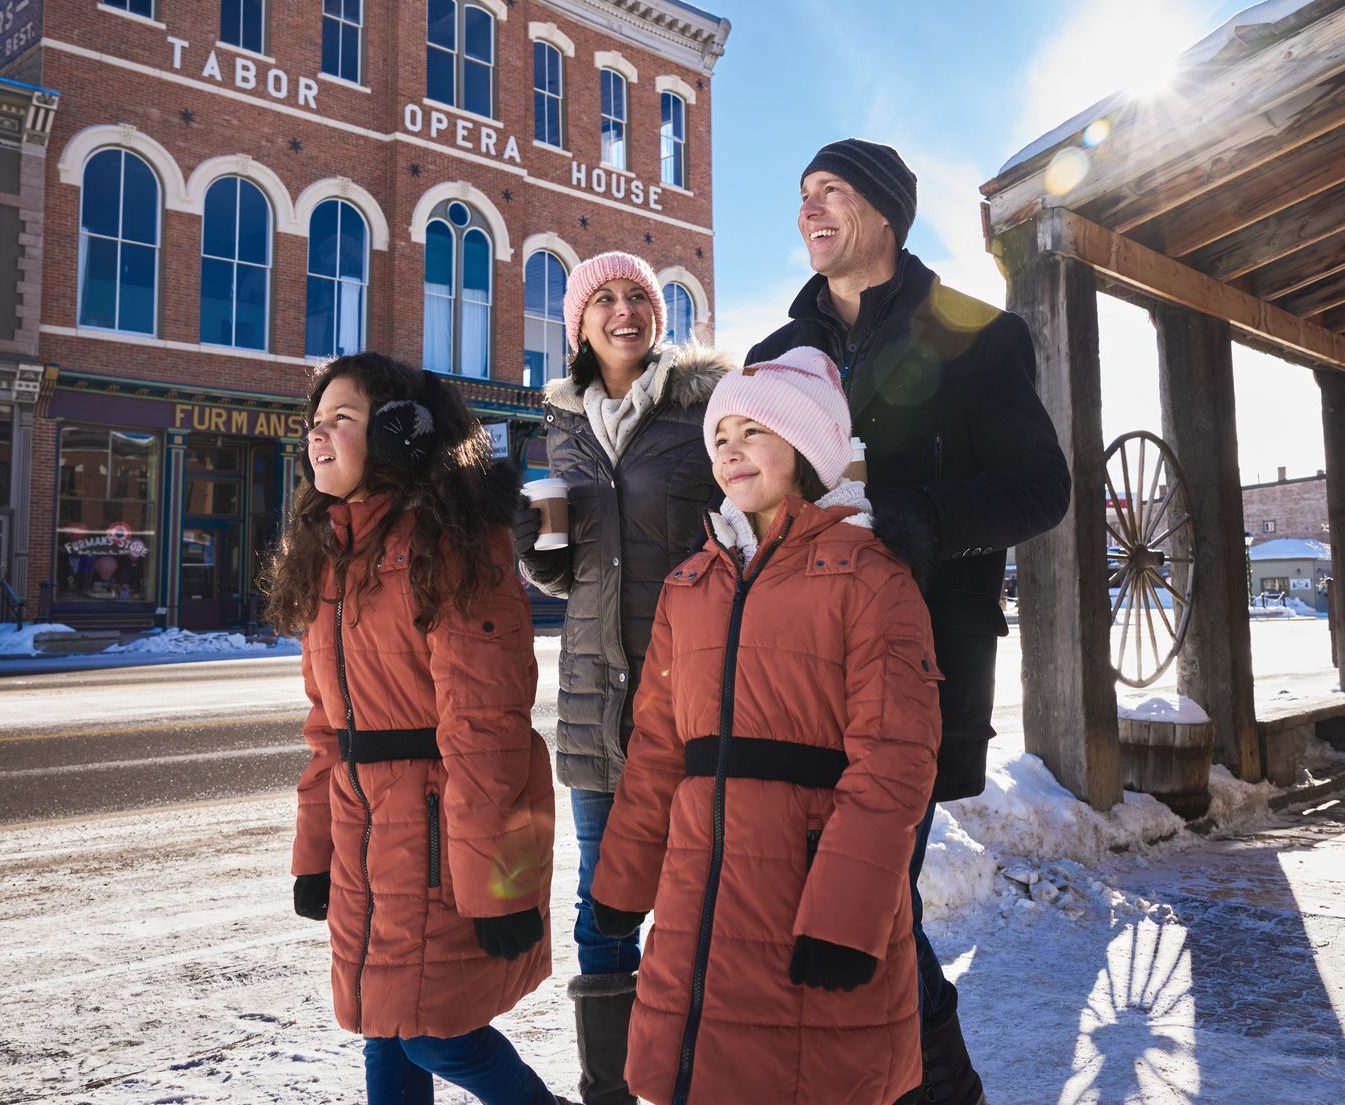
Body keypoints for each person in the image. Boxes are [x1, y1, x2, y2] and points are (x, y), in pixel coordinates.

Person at [748, 139, 1072, 1104]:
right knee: (825, 904)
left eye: (831, 192)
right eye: (801, 194)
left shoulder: (976, 334)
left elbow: (1041, 487)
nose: (809, 210)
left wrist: (920, 517)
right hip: (794, 670)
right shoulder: (776, 357)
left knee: (874, 897)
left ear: (886, 211)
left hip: (915, 666)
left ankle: (936, 1089)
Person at [589, 348, 941, 1105]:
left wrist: (848, 911)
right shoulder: (690, 586)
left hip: (806, 900)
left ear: (810, 450)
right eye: (721, 436)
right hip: (696, 900)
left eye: (755, 431)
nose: (731, 449)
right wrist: (620, 880)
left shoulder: (873, 579)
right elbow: (656, 750)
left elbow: (894, 762)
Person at [264, 352, 567, 1105]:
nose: (318, 436)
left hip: (439, 838)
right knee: (384, 1018)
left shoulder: (451, 544)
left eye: (343, 418)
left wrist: (499, 886)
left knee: (431, 1025)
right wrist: (315, 852)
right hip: (365, 830)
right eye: (314, 422)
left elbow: (486, 725)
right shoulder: (331, 553)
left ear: (402, 435)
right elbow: (327, 728)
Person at [513, 251, 733, 1105]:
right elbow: (562, 577)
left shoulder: (702, 410)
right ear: (579, 324)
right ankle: (609, 1090)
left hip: (687, 700)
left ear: (657, 315)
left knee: (694, 900)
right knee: (602, 905)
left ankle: (692, 1079)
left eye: (636, 294)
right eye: (602, 298)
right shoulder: (559, 426)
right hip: (592, 704)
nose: (622, 309)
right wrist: (539, 537)